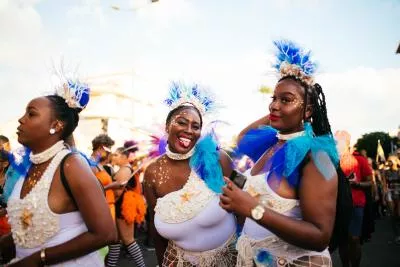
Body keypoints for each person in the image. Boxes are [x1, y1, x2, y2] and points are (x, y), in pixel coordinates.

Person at [220, 40, 339, 266]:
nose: (273, 105)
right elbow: (242, 140)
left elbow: (320, 236)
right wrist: (283, 110)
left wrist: (252, 208)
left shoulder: (317, 157)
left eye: (286, 100)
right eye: (273, 98)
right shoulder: (272, 143)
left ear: (309, 110)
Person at [0, 79, 117, 266]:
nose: (21, 119)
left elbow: (106, 234)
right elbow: (30, 223)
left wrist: (39, 259)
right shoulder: (30, 166)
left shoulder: (72, 165)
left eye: (31, 114)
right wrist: (9, 242)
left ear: (56, 125)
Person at [143, 83, 237, 266]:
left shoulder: (218, 159)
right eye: (181, 122)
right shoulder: (152, 172)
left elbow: (244, 206)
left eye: (196, 126)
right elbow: (155, 230)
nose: (188, 130)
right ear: (167, 126)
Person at [105, 141, 146, 267]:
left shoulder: (125, 169)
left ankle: (142, 265)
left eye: (117, 155)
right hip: (119, 207)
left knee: (128, 240)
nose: (113, 157)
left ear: (124, 157)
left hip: (123, 208)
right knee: (115, 242)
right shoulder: (124, 168)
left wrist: (107, 198)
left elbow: (117, 192)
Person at [383, 156, 400, 244]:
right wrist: (384, 197)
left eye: (390, 161)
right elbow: (385, 185)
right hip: (390, 193)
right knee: (393, 215)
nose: (388, 162)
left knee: (398, 214)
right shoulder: (386, 172)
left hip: (398, 194)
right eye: (388, 161)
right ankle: (397, 236)